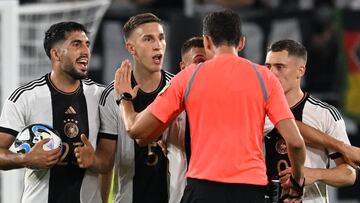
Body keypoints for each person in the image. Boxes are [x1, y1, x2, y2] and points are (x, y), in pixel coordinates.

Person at [115, 9, 306, 202]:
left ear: (206, 41)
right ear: (241, 42)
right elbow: (296, 143)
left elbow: (137, 131)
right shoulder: (265, 78)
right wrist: (297, 181)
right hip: (251, 191)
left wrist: (125, 99)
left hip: (203, 189)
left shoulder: (188, 78)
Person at [74, 13, 187, 203]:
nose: (157, 45)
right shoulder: (111, 96)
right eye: (148, 39)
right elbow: (107, 161)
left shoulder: (179, 88)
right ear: (131, 48)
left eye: (161, 37)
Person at [0, 21, 104, 203]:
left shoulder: (101, 97)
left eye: (86, 44)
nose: (86, 51)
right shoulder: (25, 97)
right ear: (56, 54)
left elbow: (111, 159)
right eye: (76, 44)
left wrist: (94, 160)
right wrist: (26, 159)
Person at [264, 39, 356, 202]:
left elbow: (348, 174)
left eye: (280, 67)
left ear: (300, 71)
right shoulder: (257, 110)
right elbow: (291, 125)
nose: (271, 73)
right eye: (268, 66)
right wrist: (341, 146)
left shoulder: (325, 114)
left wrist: (316, 173)